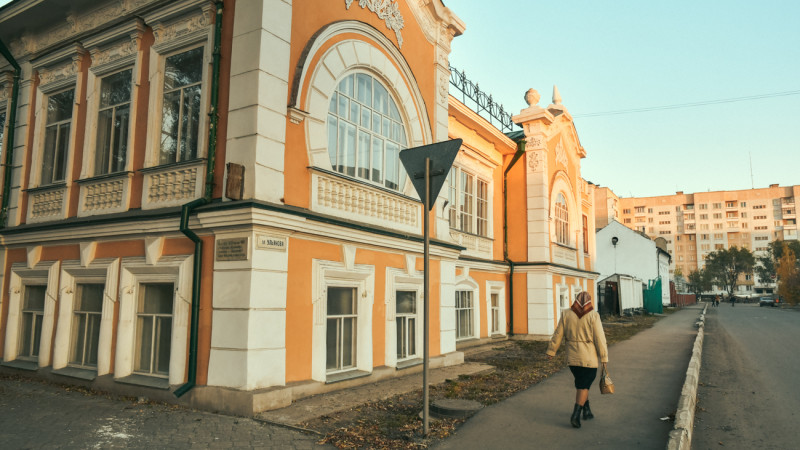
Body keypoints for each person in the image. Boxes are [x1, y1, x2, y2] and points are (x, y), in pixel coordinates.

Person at [546, 292, 609, 429]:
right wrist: (604, 357)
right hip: (588, 358)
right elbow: (600, 338)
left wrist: (552, 350)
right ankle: (576, 415)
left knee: (581, 384)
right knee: (584, 386)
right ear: (589, 301)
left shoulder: (566, 314)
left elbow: (558, 334)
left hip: (572, 357)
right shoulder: (593, 315)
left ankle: (586, 411)